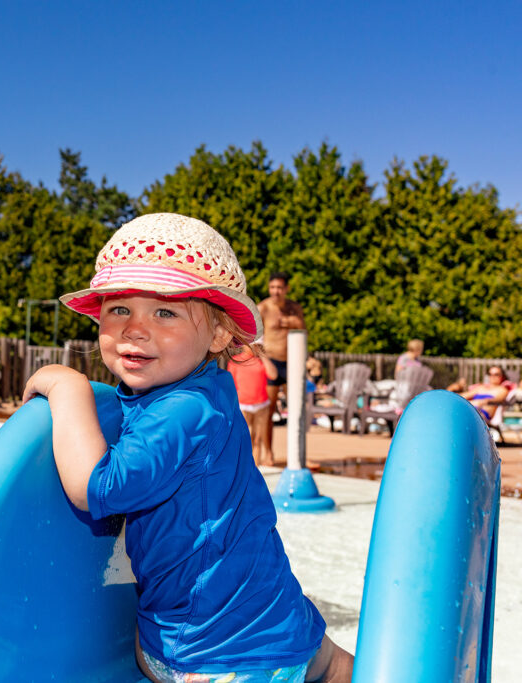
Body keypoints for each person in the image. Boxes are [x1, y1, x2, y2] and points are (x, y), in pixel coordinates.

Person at [24, 213, 353, 682]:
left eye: (165, 312)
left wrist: (67, 386)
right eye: (119, 309)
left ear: (219, 334)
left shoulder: (183, 410)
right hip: (268, 614)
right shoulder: (209, 389)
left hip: (223, 653)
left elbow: (94, 486)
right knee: (339, 667)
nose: (135, 329)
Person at [257, 272, 305, 465]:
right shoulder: (263, 308)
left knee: (296, 409)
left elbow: (302, 330)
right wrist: (265, 361)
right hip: (272, 361)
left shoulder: (295, 308)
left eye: (279, 287)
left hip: (293, 361)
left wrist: (289, 322)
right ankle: (268, 452)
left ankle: (297, 455)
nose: (276, 291)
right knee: (268, 410)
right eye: (272, 287)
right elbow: (255, 340)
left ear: (287, 289)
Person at [228, 344, 279, 466]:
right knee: (244, 438)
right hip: (243, 405)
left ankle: (254, 468)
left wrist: (262, 355)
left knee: (257, 439)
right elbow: (231, 385)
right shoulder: (235, 361)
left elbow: (274, 375)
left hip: (261, 405)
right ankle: (242, 466)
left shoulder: (261, 361)